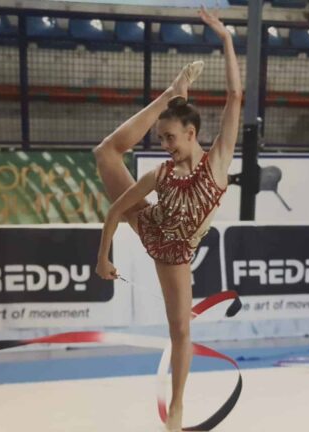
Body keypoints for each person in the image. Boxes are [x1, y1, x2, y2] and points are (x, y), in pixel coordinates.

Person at [93, 6, 242, 431]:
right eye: (161, 139)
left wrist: (226, 39)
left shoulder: (216, 163)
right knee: (105, 152)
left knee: (180, 331)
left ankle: (176, 408)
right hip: (149, 228)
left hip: (173, 255)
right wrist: (102, 257)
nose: (165, 145)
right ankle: (169, 93)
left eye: (170, 137)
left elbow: (235, 96)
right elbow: (116, 211)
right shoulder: (160, 173)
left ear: (192, 134)